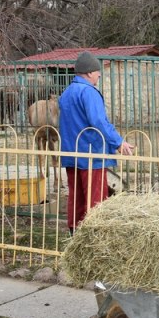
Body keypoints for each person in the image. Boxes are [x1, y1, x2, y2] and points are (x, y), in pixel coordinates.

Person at [59, 51, 134, 233]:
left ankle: (74, 232)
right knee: (96, 198)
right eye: (97, 72)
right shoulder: (88, 92)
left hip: (72, 152)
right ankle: (95, 234)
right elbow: (99, 121)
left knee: (76, 196)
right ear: (89, 72)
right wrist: (118, 142)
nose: (99, 75)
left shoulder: (67, 93)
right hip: (91, 153)